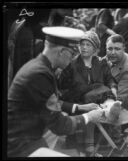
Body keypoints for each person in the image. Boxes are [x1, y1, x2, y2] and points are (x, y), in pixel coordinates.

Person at [7, 26, 104, 157]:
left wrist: (80, 107)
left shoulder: (39, 66)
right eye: (72, 53)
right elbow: (60, 126)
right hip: (18, 146)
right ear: (62, 52)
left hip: (25, 135)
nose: (73, 58)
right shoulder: (39, 74)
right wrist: (89, 116)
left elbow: (52, 103)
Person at [58, 31, 118, 156]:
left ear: (95, 48)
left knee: (100, 94)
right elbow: (62, 87)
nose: (84, 47)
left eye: (88, 45)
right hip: (78, 99)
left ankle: (110, 106)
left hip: (98, 99)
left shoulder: (101, 63)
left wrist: (113, 87)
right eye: (82, 44)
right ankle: (110, 106)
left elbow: (110, 79)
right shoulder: (72, 64)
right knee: (97, 94)